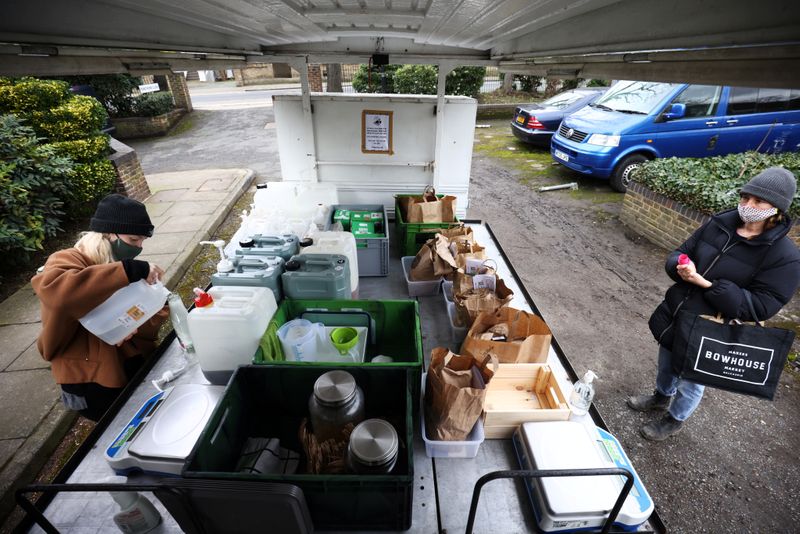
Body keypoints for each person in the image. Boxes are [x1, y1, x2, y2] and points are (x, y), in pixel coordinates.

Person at [628, 167, 800, 441]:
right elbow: (680, 252)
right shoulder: (720, 223)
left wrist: (706, 284)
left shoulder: (785, 256)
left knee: (692, 382)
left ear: (776, 209)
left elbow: (763, 305)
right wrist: (679, 265)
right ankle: (661, 397)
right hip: (677, 313)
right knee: (666, 363)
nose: (747, 206)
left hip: (711, 329)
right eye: (745, 198)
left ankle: (675, 418)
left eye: (757, 202)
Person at [31, 194, 167, 421]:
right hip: (89, 379)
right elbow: (60, 294)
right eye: (134, 240)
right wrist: (130, 270)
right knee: (117, 427)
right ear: (108, 234)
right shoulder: (66, 260)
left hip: (124, 364)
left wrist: (141, 312)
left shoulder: (114, 264)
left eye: (142, 241)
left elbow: (138, 315)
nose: (139, 247)